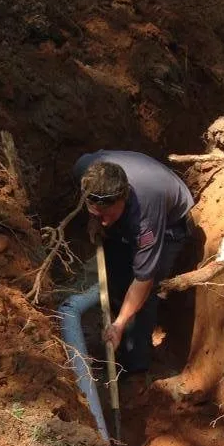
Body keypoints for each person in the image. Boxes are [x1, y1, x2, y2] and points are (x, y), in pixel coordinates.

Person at [73, 150, 195, 375]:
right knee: (118, 276)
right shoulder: (85, 169)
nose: (104, 222)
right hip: (132, 211)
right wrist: (95, 221)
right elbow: (102, 214)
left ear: (124, 198)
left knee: (145, 295)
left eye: (107, 215)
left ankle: (136, 365)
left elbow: (143, 280)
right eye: (97, 214)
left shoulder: (146, 218)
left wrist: (119, 323)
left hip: (170, 224)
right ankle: (117, 336)